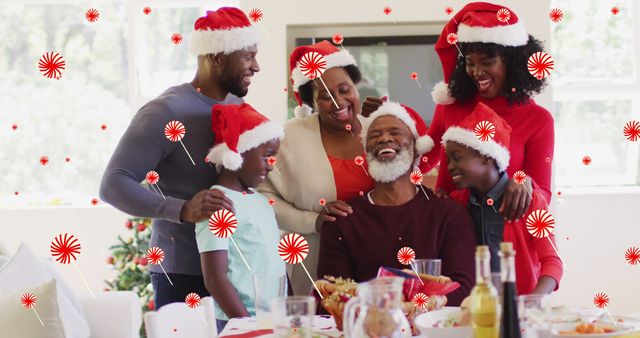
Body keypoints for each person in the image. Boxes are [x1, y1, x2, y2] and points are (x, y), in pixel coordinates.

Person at [99, 7, 261, 309]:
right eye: (248, 56)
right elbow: (112, 184)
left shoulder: (237, 105)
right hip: (183, 272)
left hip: (235, 269)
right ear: (216, 57)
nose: (257, 67)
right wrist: (183, 209)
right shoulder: (165, 112)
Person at [364, 2, 554, 222]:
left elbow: (545, 195)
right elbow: (422, 160)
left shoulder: (538, 120)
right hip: (453, 230)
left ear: (513, 62)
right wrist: (390, 117)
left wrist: (526, 183)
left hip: (507, 236)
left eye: (487, 62)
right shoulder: (451, 107)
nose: (477, 72)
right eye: (470, 63)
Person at [317, 101, 475, 306]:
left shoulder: (449, 214)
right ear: (366, 152)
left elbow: (462, 288)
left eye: (395, 132)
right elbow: (332, 295)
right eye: (375, 135)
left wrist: (403, 306)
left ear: (417, 149)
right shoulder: (342, 219)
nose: (384, 138)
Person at [443, 102, 563, 295]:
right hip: (475, 309)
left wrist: (531, 303)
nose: (449, 167)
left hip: (520, 309)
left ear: (486, 157)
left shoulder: (531, 201)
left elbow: (553, 262)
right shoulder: (456, 202)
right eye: (448, 160)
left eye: (457, 158)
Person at [195, 103, 285, 332]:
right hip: (238, 323)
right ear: (238, 152)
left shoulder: (262, 202)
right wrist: (248, 327)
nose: (271, 166)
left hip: (272, 320)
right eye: (267, 156)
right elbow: (215, 278)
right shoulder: (218, 203)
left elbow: (276, 263)